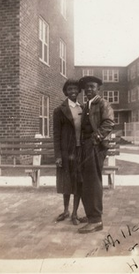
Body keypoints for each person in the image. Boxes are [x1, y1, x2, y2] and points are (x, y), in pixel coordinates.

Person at [77, 76, 115, 234]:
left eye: (92, 87)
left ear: (98, 88)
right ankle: (90, 214)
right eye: (86, 87)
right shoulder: (87, 105)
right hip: (86, 146)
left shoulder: (103, 103)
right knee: (86, 181)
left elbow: (109, 123)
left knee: (93, 182)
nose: (89, 90)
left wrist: (95, 139)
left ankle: (96, 220)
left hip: (95, 146)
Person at [53, 79, 87, 225]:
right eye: (70, 89)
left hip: (81, 152)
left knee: (79, 183)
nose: (73, 91)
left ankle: (75, 214)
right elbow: (56, 135)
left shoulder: (84, 109)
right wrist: (58, 155)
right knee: (66, 183)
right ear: (65, 91)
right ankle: (66, 210)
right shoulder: (59, 110)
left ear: (79, 91)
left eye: (75, 89)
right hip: (67, 153)